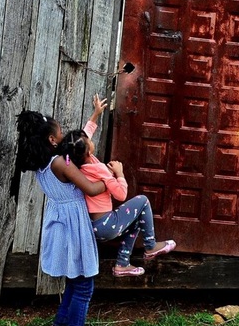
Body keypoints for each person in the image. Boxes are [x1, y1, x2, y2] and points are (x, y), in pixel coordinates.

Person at [16, 109, 105, 326]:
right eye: (60, 131)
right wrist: (113, 179)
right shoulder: (61, 163)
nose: (65, 133)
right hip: (74, 229)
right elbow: (90, 188)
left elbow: (77, 143)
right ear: (53, 140)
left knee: (74, 283)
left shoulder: (44, 164)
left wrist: (95, 117)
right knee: (84, 288)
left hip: (61, 229)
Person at [60, 95, 176, 278]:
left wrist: (96, 114)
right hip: (107, 224)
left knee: (136, 220)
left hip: (94, 226)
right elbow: (121, 195)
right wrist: (119, 173)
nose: (90, 138)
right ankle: (151, 246)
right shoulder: (99, 169)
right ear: (89, 150)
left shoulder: (75, 163)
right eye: (88, 140)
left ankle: (122, 265)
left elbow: (84, 137)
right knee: (142, 201)